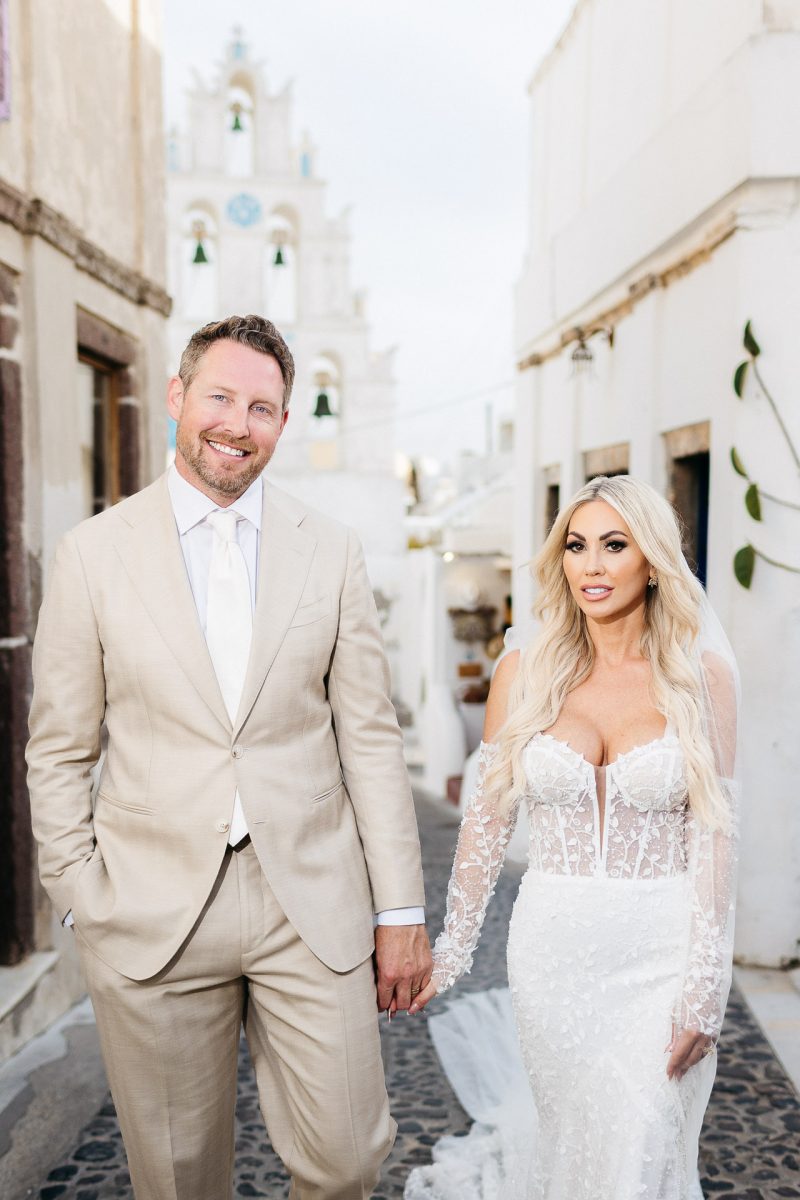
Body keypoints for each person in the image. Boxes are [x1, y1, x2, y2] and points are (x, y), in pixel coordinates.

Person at [27, 314, 432, 1200]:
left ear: (284, 422)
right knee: (177, 1179)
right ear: (177, 398)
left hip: (312, 904)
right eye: (220, 396)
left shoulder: (331, 551)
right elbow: (58, 751)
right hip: (151, 906)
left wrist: (399, 909)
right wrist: (84, 898)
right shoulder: (93, 556)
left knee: (350, 1159)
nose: (237, 423)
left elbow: (368, 737)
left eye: (263, 407)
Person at [408, 475, 739, 1200]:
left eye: (614, 546)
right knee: (578, 1153)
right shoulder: (523, 674)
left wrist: (705, 986)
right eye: (577, 546)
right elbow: (486, 823)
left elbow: (714, 837)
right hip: (552, 958)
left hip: (660, 953)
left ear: (651, 561)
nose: (591, 565)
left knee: (645, 1156)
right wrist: (453, 951)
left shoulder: (700, 678)